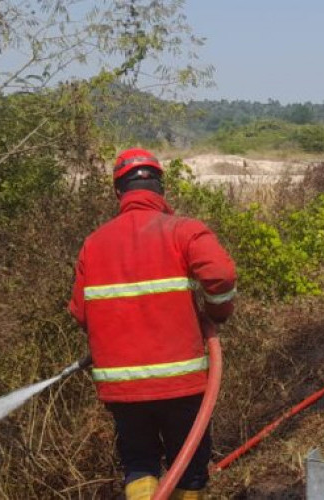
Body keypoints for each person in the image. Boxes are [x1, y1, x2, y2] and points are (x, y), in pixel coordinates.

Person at [69, 148, 237, 500]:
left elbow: (82, 313)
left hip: (123, 390)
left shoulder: (93, 245)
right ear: (161, 188)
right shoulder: (183, 231)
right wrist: (216, 314)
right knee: (189, 467)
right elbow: (221, 276)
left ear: (118, 192)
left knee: (139, 463)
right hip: (181, 385)